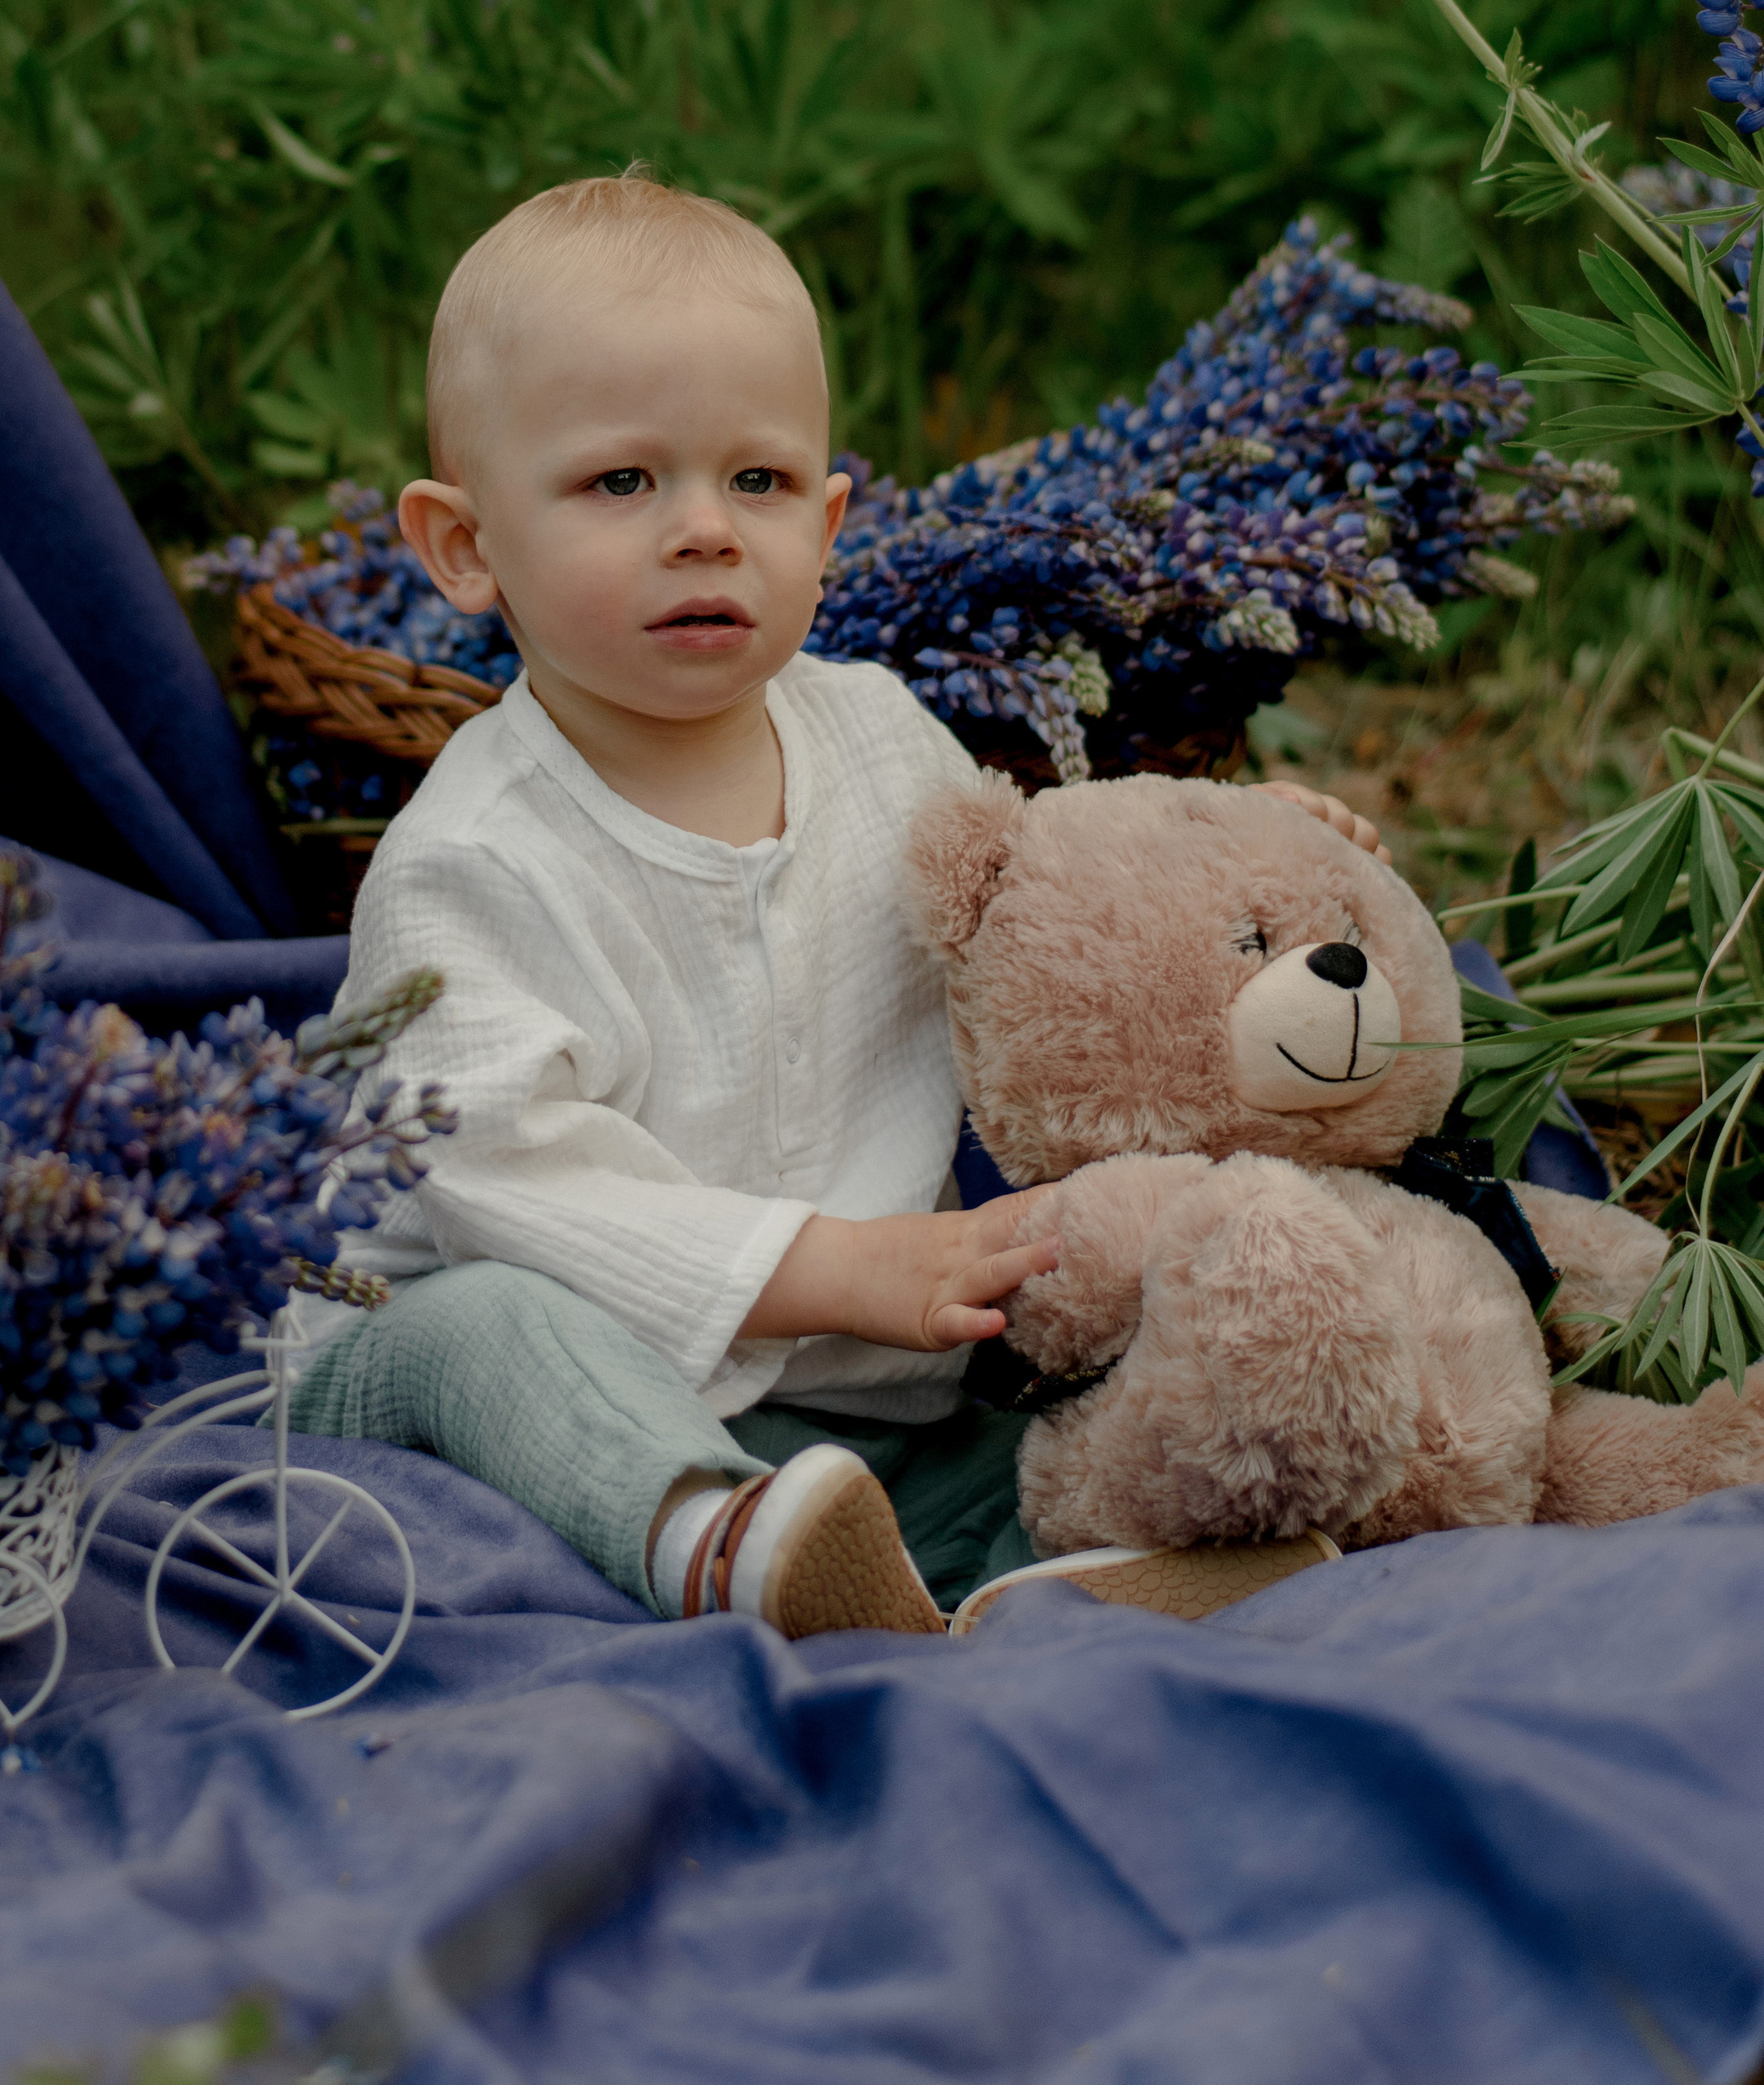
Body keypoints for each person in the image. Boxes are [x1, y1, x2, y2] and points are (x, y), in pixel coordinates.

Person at [284, 167, 1381, 1635]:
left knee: (988, 1417)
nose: (704, 531)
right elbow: (500, 1180)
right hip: (468, 1348)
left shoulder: (871, 733)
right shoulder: (474, 858)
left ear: (831, 515)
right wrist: (838, 1267)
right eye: (623, 482)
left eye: (759, 481)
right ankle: (706, 1539)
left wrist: (1224, 862)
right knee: (488, 1333)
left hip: (842, 1385)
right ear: (466, 546)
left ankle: (1056, 1561)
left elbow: (1027, 902)